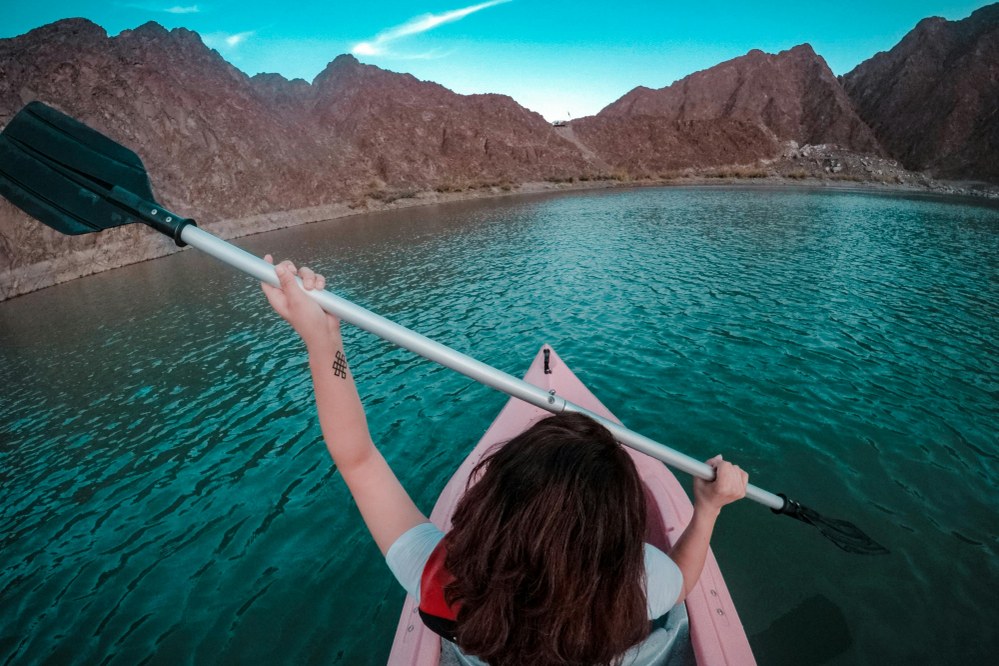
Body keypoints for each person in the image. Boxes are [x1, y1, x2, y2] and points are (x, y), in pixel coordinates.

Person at [261, 257, 749, 666]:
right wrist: (707, 508)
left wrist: (322, 341)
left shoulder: (443, 581)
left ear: (491, 504)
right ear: (615, 534)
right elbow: (684, 578)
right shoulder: (638, 584)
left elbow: (358, 459)